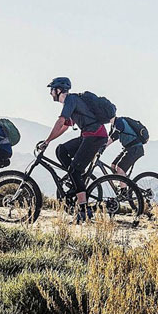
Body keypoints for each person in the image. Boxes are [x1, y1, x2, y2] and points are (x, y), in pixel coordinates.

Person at [38, 77, 109, 223]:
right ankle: (77, 179)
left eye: (51, 90)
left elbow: (60, 121)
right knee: (61, 150)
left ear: (58, 90)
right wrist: (50, 141)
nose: (50, 93)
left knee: (74, 170)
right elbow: (64, 126)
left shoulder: (71, 100)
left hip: (95, 136)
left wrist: (46, 141)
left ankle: (83, 210)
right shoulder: (72, 102)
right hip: (87, 135)